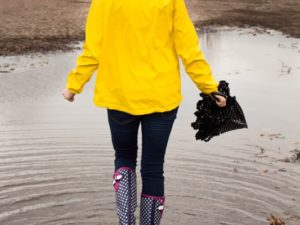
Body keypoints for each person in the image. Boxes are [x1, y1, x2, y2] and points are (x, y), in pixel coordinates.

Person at [62, 0, 226, 224]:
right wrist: (209, 87)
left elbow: (93, 49)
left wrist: (74, 85)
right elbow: (188, 48)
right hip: (161, 96)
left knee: (124, 158)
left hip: (120, 95)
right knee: (153, 168)